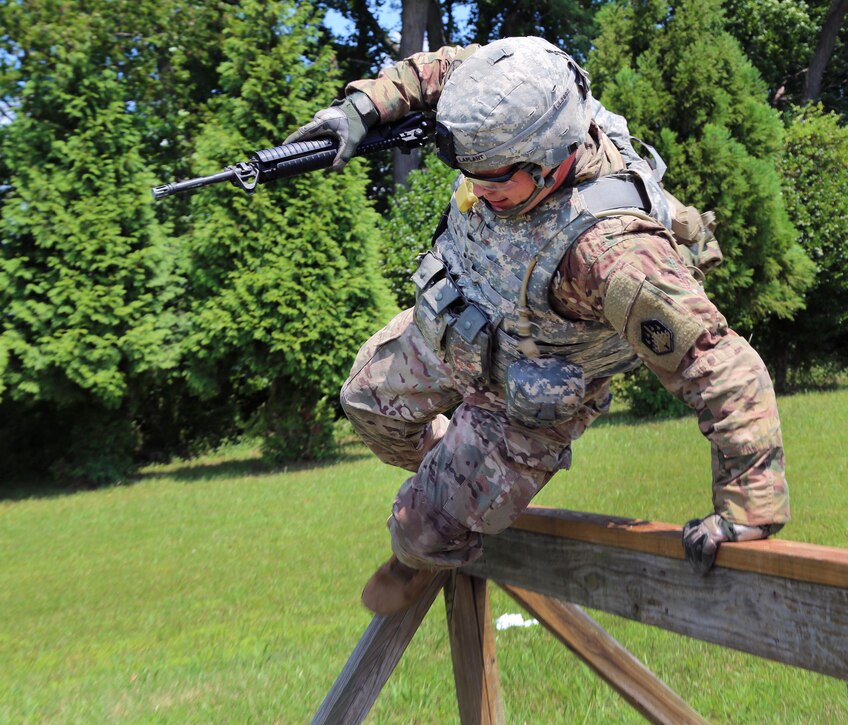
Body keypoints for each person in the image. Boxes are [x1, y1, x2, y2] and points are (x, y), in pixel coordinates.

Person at [284, 37, 789, 616]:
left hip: (525, 397)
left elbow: (725, 370)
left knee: (418, 534)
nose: (477, 189)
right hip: (457, 328)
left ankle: (437, 521)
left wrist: (748, 510)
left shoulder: (612, 254)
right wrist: (359, 111)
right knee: (365, 404)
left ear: (548, 160)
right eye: (466, 171)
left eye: (495, 177)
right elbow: (442, 70)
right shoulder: (514, 95)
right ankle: (453, 476)